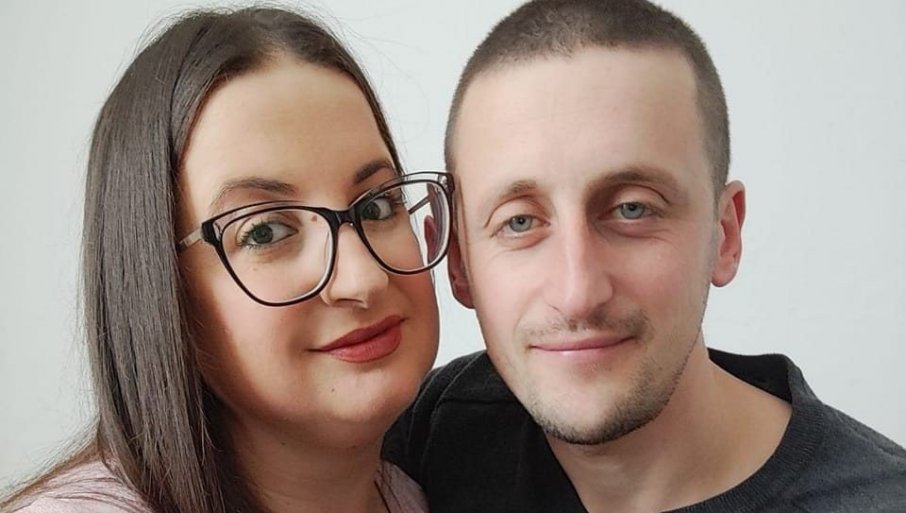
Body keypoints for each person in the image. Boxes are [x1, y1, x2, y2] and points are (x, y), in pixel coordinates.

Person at [382, 1, 906, 512]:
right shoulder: (429, 431)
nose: (578, 293)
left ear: (724, 235)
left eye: (632, 209)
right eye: (519, 222)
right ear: (458, 263)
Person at [2, 7, 454, 513]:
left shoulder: (435, 491)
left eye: (377, 206)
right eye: (265, 231)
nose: (362, 279)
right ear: (159, 288)